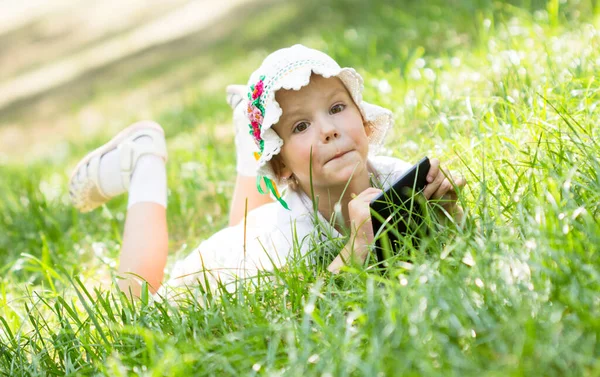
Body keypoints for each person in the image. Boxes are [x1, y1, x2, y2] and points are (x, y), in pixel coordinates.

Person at [68, 44, 465, 298]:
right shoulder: (287, 240)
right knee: (134, 307)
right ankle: (144, 163)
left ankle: (252, 126)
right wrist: (357, 245)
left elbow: (453, 244)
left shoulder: (392, 175)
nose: (328, 129)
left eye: (337, 108)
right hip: (216, 274)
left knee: (248, 227)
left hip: (253, 233)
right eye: (300, 126)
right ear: (282, 165)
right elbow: (314, 310)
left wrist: (448, 208)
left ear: (364, 120)